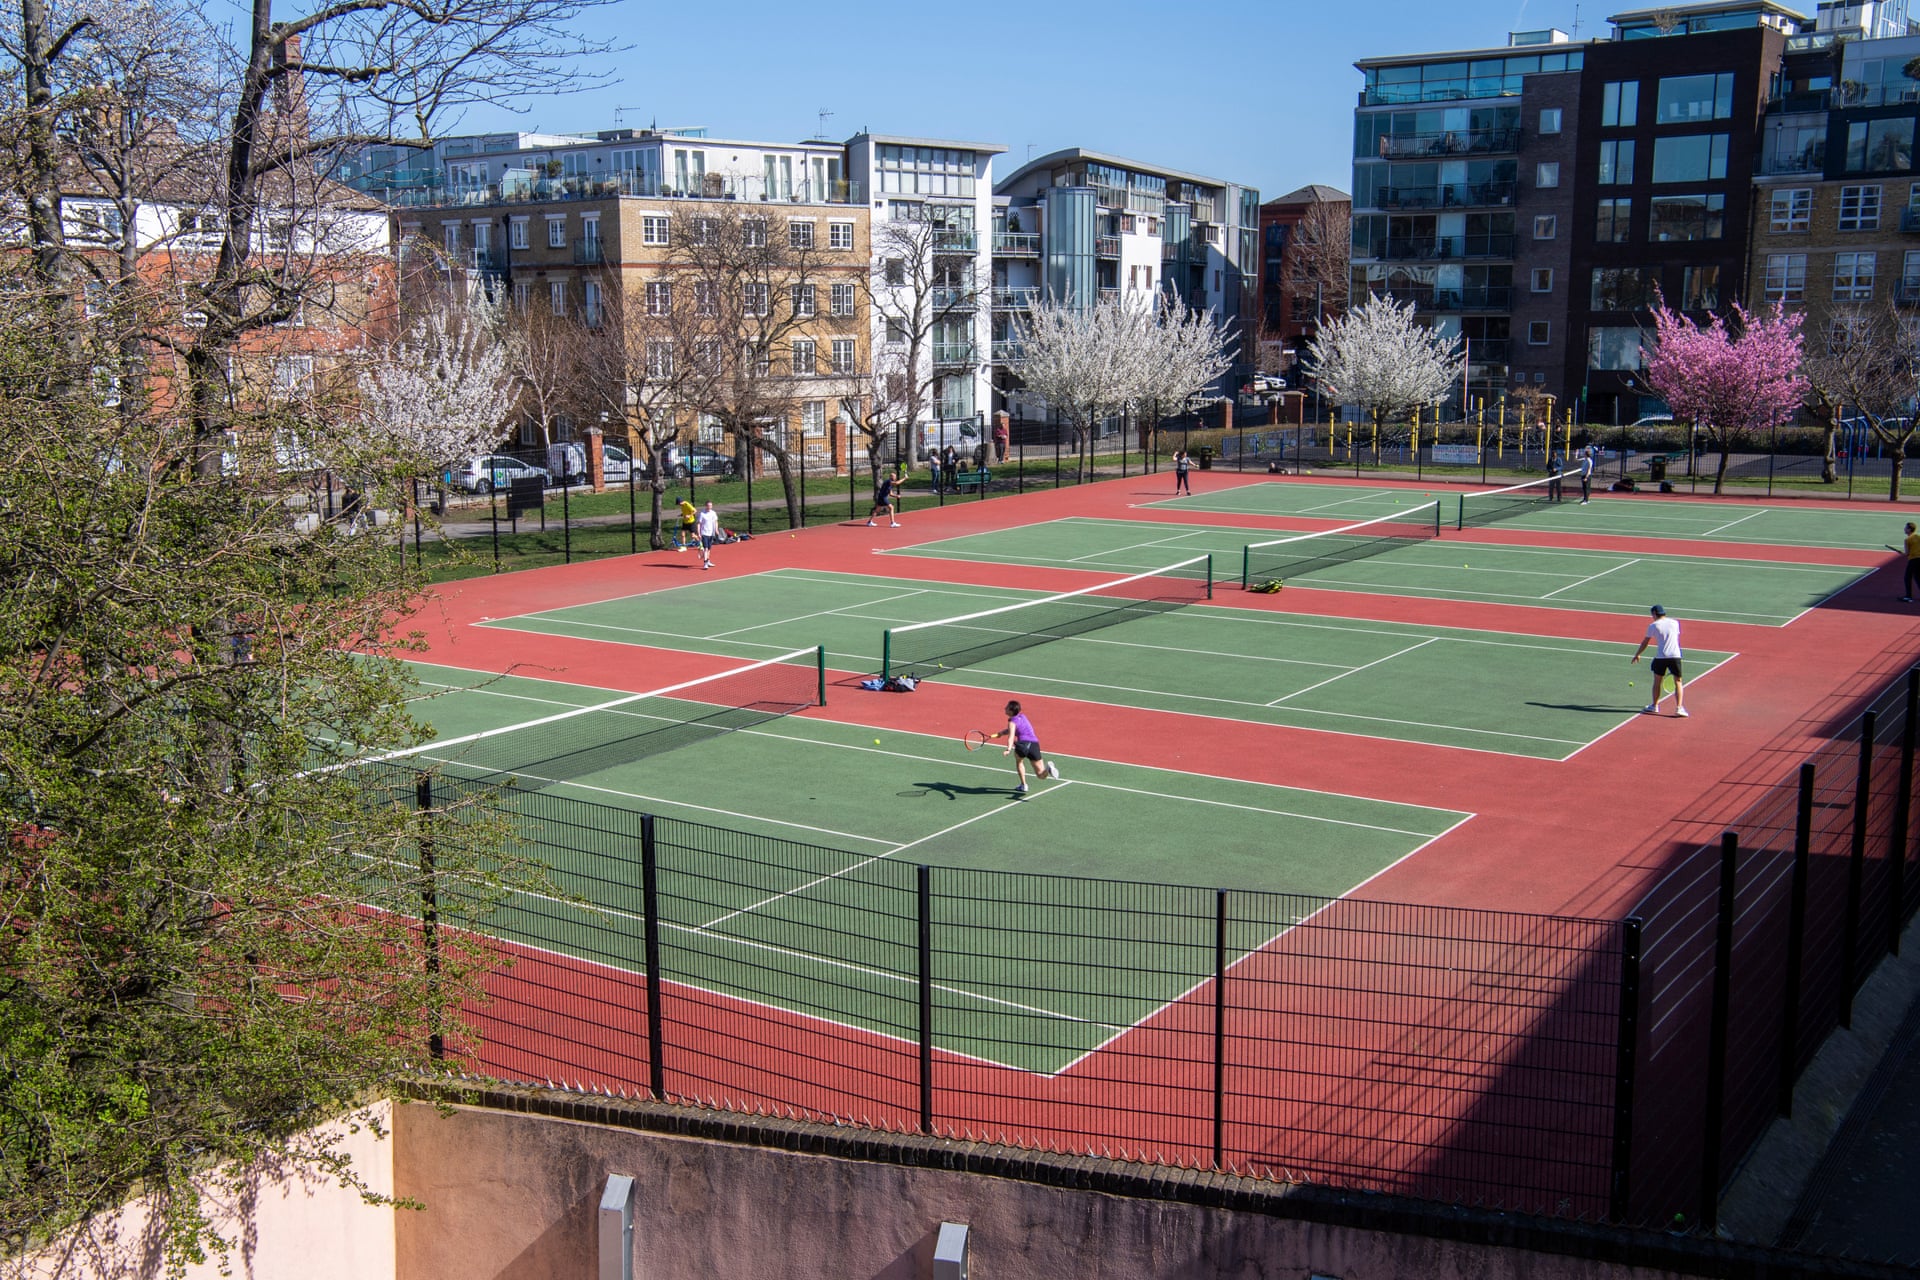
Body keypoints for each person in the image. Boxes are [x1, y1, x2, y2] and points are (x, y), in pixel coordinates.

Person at [987, 699, 1062, 794]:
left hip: (1022, 745)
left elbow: (1011, 736)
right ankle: (1048, 769)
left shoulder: (1011, 722)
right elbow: (1012, 730)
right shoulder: (1023, 717)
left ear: (1010, 711)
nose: (1004, 708)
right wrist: (1000, 733)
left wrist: (1008, 749)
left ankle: (1024, 785)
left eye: (1006, 707)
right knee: (1041, 775)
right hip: (1034, 745)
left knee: (1019, 762)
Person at [1630, 603, 1688, 717]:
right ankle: (1679, 708)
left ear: (1654, 614)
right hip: (1675, 656)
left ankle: (1655, 706)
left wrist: (1637, 654)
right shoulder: (1675, 623)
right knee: (1678, 682)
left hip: (1661, 657)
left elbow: (1645, 642)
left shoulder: (1653, 626)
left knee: (1657, 681)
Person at [694, 500, 721, 570]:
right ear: (706, 506)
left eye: (711, 506)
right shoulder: (702, 514)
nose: (710, 507)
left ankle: (708, 561)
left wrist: (716, 530)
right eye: (708, 506)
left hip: (711, 533)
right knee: (705, 548)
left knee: (709, 549)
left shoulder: (713, 513)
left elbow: (716, 522)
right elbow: (698, 524)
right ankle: (705, 563)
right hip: (704, 533)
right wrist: (699, 533)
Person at [1902, 522, 1920, 603]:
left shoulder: (1907, 539)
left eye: (1905, 528)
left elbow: (1907, 553)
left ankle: (1908, 596)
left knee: (1907, 577)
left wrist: (1902, 553)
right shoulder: (1918, 537)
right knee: (1918, 578)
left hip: (1913, 559)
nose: (1904, 529)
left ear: (1909, 529)